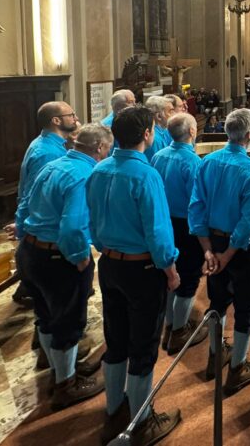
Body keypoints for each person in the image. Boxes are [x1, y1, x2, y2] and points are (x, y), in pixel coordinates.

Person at [87, 106, 182, 445]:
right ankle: (140, 420)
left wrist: (105, 247)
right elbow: (158, 232)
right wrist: (170, 269)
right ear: (147, 134)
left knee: (115, 340)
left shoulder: (99, 170)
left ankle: (114, 409)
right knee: (143, 345)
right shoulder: (146, 175)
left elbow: (92, 220)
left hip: (110, 264)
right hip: (142, 268)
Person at [17, 122, 112, 409]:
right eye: (108, 149)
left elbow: (25, 203)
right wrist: (80, 256)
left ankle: (58, 371)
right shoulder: (84, 175)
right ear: (99, 148)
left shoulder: (53, 166)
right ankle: (66, 385)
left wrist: (21, 231)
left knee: (45, 316)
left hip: (30, 251)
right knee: (68, 322)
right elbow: (72, 227)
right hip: (58, 257)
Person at [189, 108, 250, 394]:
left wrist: (209, 251)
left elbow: (196, 207)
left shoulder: (207, 162)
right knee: (246, 305)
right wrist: (227, 255)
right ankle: (237, 367)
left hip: (213, 241)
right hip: (241, 248)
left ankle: (215, 355)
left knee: (217, 300)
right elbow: (246, 220)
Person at [11, 101, 79, 319]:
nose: (75, 118)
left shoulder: (50, 145)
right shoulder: (47, 153)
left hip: (44, 231)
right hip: (48, 234)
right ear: (56, 121)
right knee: (56, 307)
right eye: (71, 115)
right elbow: (38, 194)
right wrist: (22, 223)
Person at [151, 113, 207, 355]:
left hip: (164, 222)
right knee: (188, 278)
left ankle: (170, 325)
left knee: (171, 274)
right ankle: (179, 331)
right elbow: (197, 201)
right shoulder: (192, 162)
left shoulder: (158, 155)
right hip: (186, 225)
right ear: (192, 132)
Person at [144, 96, 175, 162]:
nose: (174, 115)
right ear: (159, 116)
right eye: (171, 111)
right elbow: (156, 165)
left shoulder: (164, 131)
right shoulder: (154, 139)